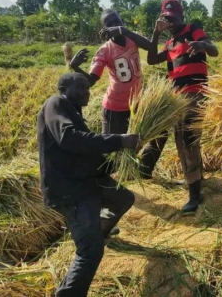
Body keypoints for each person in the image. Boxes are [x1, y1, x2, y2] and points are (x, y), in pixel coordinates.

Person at [37, 73, 140, 297]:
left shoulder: (73, 110)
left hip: (86, 182)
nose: (87, 92)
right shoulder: (55, 104)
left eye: (88, 88)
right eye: (81, 87)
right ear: (63, 88)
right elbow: (69, 138)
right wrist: (118, 140)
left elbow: (83, 150)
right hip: (70, 191)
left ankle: (99, 232)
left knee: (123, 198)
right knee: (90, 253)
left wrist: (118, 155)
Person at [139, 0, 219, 213]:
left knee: (188, 141)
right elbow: (151, 59)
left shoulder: (193, 30)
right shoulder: (170, 43)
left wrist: (202, 45)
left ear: (181, 17)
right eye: (165, 19)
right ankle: (194, 181)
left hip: (196, 95)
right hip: (177, 99)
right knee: (181, 142)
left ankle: (194, 197)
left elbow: (214, 50)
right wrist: (156, 33)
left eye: (172, 18)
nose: (170, 22)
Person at [69, 9, 170, 134]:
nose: (114, 25)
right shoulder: (104, 51)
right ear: (104, 29)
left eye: (117, 21)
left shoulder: (133, 38)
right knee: (112, 150)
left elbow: (150, 47)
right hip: (114, 109)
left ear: (122, 22)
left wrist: (124, 30)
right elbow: (91, 81)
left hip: (135, 105)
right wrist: (75, 67)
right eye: (109, 23)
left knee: (134, 146)